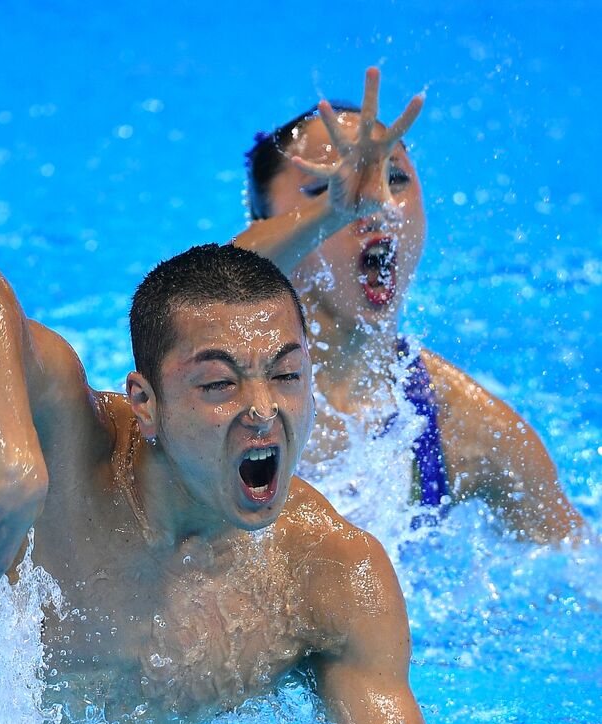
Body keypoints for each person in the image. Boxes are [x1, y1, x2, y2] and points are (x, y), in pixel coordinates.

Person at [0, 242, 443, 724]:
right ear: (146, 403)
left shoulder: (330, 571)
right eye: (219, 384)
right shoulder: (70, 454)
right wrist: (15, 463)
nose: (263, 409)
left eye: (286, 375)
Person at [235, 68, 585, 544]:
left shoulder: (470, 430)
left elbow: (579, 572)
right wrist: (333, 211)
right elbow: (205, 288)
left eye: (393, 177)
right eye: (325, 187)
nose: (370, 204)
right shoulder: (217, 394)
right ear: (265, 224)